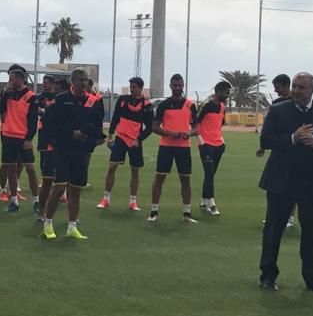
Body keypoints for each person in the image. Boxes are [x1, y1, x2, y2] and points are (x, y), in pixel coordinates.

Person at [258, 72, 313, 294]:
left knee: (312, 234)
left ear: (312, 90)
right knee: (274, 230)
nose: (296, 90)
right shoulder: (278, 110)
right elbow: (265, 140)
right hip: (281, 181)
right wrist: (292, 138)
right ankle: (268, 276)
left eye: (301, 87)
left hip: (312, 182)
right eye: (294, 86)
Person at [41, 68, 104, 240]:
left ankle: (72, 226)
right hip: (62, 149)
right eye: (80, 80)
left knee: (76, 190)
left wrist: (97, 138)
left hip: (82, 151)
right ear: (72, 82)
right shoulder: (61, 100)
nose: (84, 83)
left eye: (86, 80)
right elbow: (49, 124)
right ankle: (48, 223)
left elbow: (96, 123)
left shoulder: (93, 101)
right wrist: (71, 133)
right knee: (59, 186)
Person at [148, 74, 199, 224]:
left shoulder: (190, 105)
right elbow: (154, 127)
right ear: (170, 86)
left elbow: (197, 128)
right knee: (159, 178)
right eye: (175, 85)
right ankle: (154, 211)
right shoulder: (164, 105)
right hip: (166, 147)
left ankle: (187, 213)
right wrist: (170, 133)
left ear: (183, 86)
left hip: (184, 148)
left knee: (185, 180)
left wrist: (189, 133)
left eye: (180, 85)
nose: (177, 88)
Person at [99, 76, 153, 211]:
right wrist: (110, 135)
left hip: (135, 141)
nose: (132, 89)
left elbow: (150, 128)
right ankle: (106, 198)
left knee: (135, 171)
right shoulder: (123, 101)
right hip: (121, 138)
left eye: (134, 87)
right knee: (112, 167)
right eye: (131, 87)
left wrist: (138, 140)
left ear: (141, 88)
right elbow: (116, 117)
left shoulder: (146, 105)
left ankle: (133, 201)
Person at [258, 73, 297, 228]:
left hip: (294, 151)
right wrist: (262, 146)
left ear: (286, 85)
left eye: (278, 87)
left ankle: (290, 217)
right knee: (273, 185)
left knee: (293, 186)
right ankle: (273, 216)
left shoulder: (297, 103)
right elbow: (269, 130)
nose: (276, 91)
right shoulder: (276, 105)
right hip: (278, 150)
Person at [0, 67, 39, 213]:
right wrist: (5, 95)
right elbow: (1, 110)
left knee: (30, 169)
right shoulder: (7, 94)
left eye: (12, 79)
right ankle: (14, 200)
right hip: (8, 135)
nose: (10, 82)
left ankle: (36, 200)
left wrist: (29, 139)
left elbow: (33, 120)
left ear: (20, 79)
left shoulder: (31, 97)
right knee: (11, 170)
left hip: (22, 138)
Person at [196, 81, 231, 216]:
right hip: (206, 145)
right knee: (209, 173)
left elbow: (218, 124)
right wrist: (201, 142)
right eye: (226, 92)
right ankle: (212, 203)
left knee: (210, 174)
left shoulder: (222, 107)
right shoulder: (206, 106)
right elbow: (195, 123)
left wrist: (222, 141)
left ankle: (203, 200)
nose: (227, 95)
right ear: (218, 92)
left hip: (218, 146)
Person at [36, 77, 68, 221]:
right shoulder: (53, 105)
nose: (56, 92)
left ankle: (71, 218)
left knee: (69, 182)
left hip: (67, 147)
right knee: (47, 180)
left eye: (58, 89)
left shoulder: (70, 103)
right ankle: (41, 212)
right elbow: (47, 121)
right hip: (52, 145)